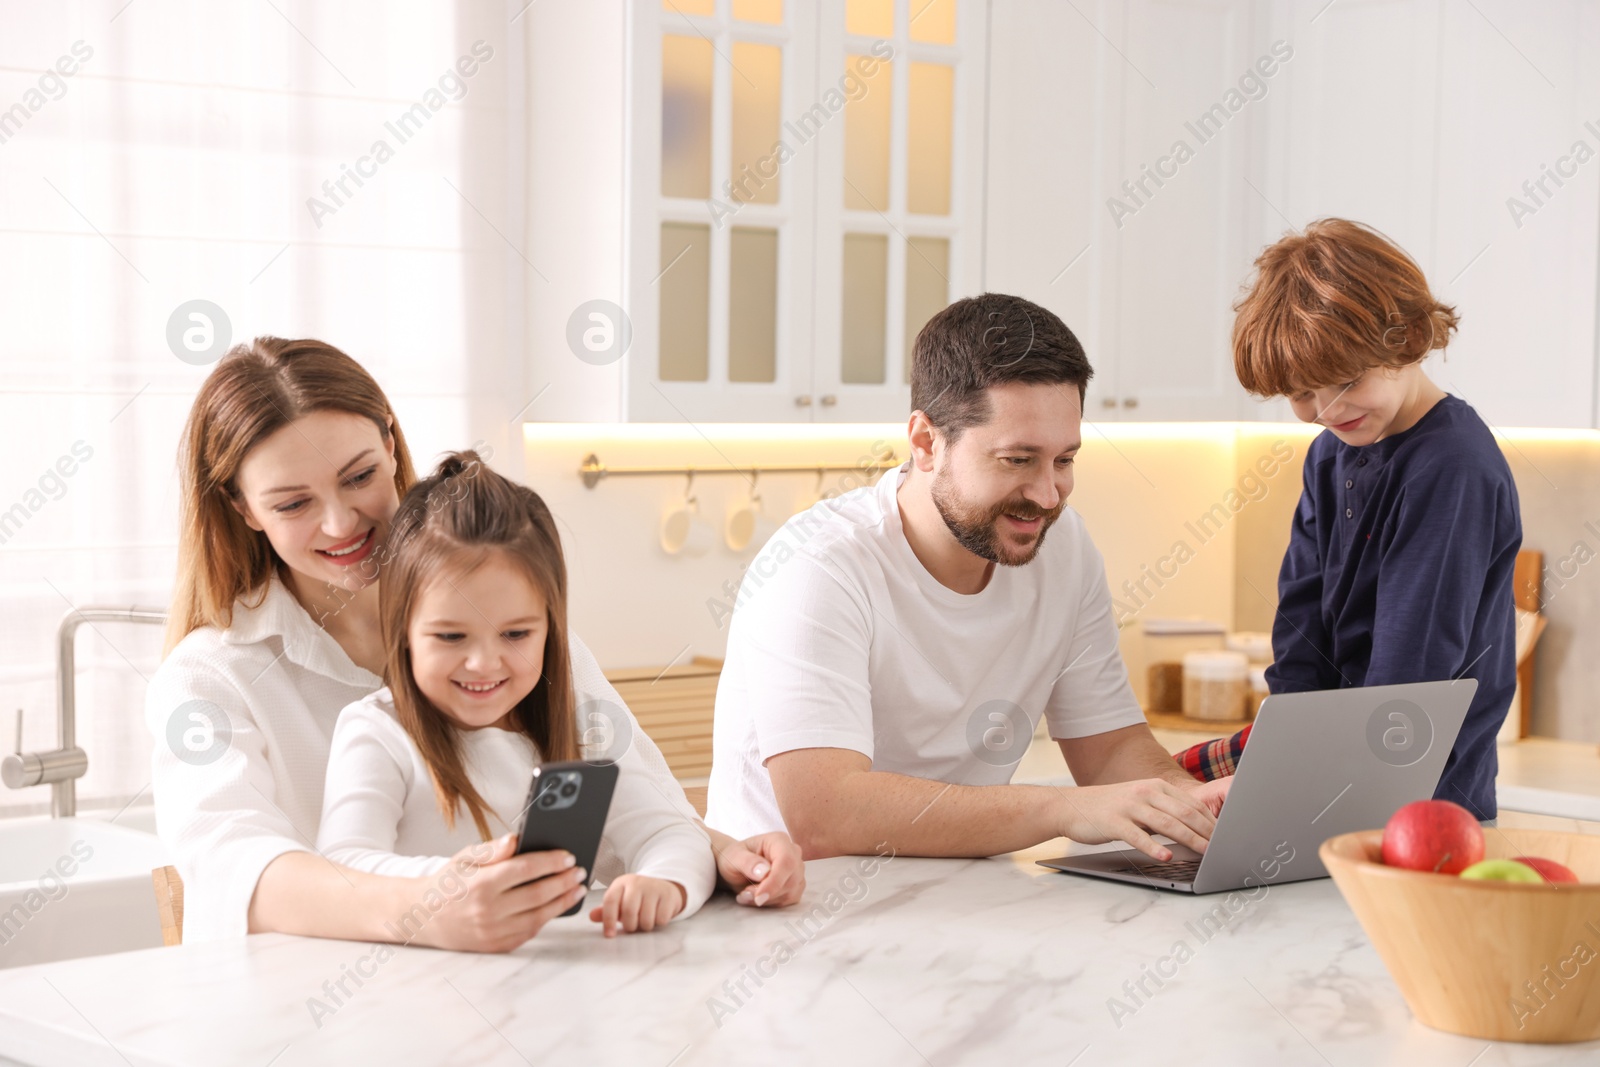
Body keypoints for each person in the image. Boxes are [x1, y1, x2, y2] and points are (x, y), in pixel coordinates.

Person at [148, 337, 802, 948]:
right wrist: (429, 906)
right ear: (242, 507)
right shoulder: (208, 678)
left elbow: (628, 798)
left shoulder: (517, 629)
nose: (341, 521)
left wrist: (710, 851)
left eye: (358, 476)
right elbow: (238, 872)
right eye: (293, 503)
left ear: (389, 439)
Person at [706, 293, 1230, 862]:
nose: (1047, 495)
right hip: (791, 913)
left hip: (965, 900)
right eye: (1017, 460)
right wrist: (1062, 809)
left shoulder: (1066, 549)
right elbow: (827, 814)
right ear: (927, 443)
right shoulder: (819, 569)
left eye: (1065, 460)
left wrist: (1193, 805)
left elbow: (1108, 749)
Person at [1175, 219, 1521, 821]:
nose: (1325, 410)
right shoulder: (1330, 453)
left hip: (1420, 801)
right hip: (1333, 781)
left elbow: (1409, 676)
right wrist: (1282, 764)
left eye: (1346, 381)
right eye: (1301, 393)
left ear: (1408, 338)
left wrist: (1297, 786)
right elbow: (1302, 625)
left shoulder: (1451, 467)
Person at [317, 453, 713, 936]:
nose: (484, 664)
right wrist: (454, 882)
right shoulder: (377, 731)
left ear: (551, 628)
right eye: (450, 637)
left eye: (515, 634)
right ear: (402, 631)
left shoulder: (583, 722)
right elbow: (344, 864)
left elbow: (668, 830)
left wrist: (663, 884)